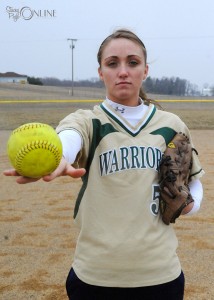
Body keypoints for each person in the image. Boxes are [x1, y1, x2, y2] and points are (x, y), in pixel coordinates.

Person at [4, 29, 204, 300]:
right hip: (94, 276)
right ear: (101, 72)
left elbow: (194, 182)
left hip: (161, 275)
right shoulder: (89, 121)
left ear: (145, 70)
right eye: (112, 63)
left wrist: (192, 205)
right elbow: (71, 135)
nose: (123, 71)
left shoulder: (171, 125)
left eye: (132, 62)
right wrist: (61, 156)